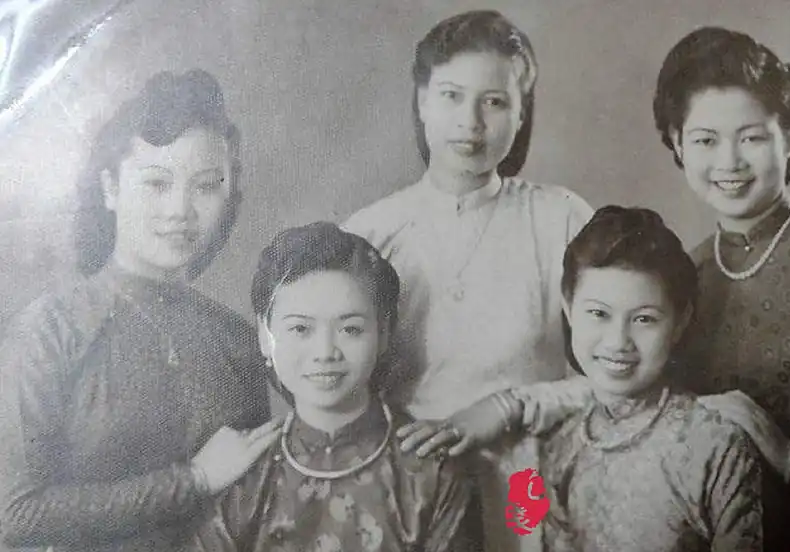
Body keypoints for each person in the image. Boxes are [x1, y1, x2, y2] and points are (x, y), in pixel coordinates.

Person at [408, 25, 790, 552]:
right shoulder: (684, 277)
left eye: (752, 138)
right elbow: (621, 382)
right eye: (705, 139)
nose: (729, 162)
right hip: (737, 522)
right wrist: (508, 407)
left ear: (788, 138)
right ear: (677, 144)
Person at [342, 10, 593, 552]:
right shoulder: (368, 235)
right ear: (422, 102)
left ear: (522, 115)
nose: (471, 123)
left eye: (495, 102)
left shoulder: (562, 220)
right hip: (404, 488)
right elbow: (332, 388)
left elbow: (623, 381)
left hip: (533, 479)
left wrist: (510, 407)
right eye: (452, 96)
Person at [0, 69, 276, 551]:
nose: (180, 211)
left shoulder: (237, 339)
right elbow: (14, 513)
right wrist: (192, 480)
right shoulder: (50, 328)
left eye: (205, 186)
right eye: (156, 184)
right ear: (110, 188)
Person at [192, 222, 471, 551]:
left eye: (350, 329)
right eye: (300, 329)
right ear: (265, 338)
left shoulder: (430, 470)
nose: (325, 353)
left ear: (383, 333)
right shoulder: (245, 476)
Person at [539, 206, 764, 551]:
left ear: (680, 321)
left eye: (644, 319)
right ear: (569, 309)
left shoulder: (715, 444)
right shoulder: (555, 446)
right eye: (598, 313)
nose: (618, 342)